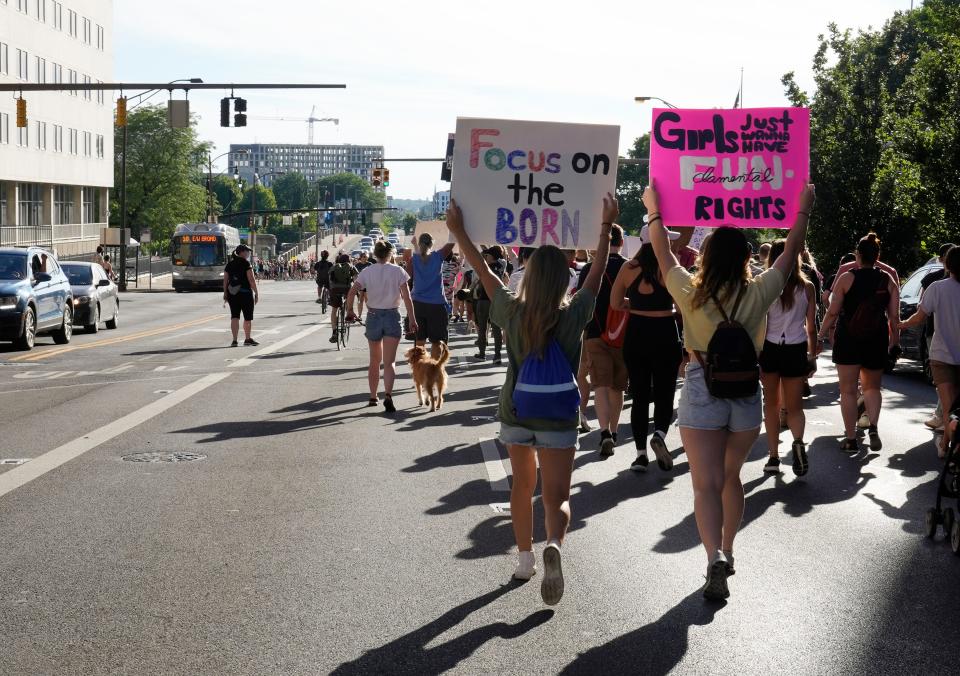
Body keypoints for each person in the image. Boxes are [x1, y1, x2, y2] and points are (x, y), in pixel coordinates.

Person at [644, 180, 815, 601]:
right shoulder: (758, 292)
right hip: (745, 395)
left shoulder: (689, 291)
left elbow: (662, 252)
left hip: (703, 388)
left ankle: (712, 557)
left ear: (706, 256)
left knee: (704, 483)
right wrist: (803, 210)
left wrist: (654, 210)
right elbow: (791, 252)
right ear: (744, 258)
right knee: (731, 478)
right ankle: (730, 550)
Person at [445, 193, 616, 607]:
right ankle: (553, 542)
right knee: (558, 495)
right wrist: (606, 227)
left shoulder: (509, 309)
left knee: (522, 485)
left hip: (517, 411)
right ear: (563, 281)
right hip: (559, 415)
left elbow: (484, 270)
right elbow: (595, 274)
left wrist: (459, 231)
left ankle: (525, 559)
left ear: (530, 276)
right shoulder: (574, 314)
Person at [817, 233, 900, 453]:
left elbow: (833, 312)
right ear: (877, 256)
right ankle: (873, 426)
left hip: (848, 338)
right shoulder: (888, 280)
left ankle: (851, 438)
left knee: (848, 391)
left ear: (858, 255)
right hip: (876, 338)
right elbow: (894, 317)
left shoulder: (846, 278)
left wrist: (819, 335)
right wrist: (895, 342)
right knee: (872, 388)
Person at [611, 239, 682, 472]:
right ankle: (660, 434)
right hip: (665, 332)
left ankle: (640, 455)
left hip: (637, 332)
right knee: (665, 391)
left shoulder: (628, 267)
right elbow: (682, 307)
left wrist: (637, 304)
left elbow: (615, 302)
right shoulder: (669, 267)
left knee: (639, 394)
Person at [758, 239, 817, 476]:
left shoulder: (764, 285)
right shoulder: (808, 287)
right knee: (795, 407)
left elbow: (759, 322)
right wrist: (812, 356)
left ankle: (773, 457)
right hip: (796, 347)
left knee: (771, 405)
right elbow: (811, 326)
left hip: (770, 348)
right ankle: (799, 441)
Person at [901, 245, 960, 458]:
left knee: (948, 408)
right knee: (955, 409)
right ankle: (945, 447)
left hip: (942, 355)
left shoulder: (937, 288)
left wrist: (900, 325)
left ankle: (950, 449)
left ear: (946, 264)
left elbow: (919, 316)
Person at [345, 240, 417, 413]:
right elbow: (407, 297)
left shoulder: (367, 271)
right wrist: (412, 319)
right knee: (390, 361)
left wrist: (350, 310)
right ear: (391, 253)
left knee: (374, 361)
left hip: (373, 316)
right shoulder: (398, 271)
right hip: (392, 315)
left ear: (375, 254)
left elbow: (352, 291)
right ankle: (389, 395)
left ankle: (372, 396)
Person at [578, 224, 628, 457]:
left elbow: (582, 300)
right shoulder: (630, 267)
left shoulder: (590, 268)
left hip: (595, 333)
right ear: (622, 242)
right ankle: (615, 431)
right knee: (618, 387)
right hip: (623, 334)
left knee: (600, 385)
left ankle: (604, 431)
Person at [408, 232, 456, 350]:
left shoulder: (413, 259)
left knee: (419, 342)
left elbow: (406, 279)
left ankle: (419, 368)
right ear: (431, 243)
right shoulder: (438, 256)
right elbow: (452, 242)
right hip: (436, 305)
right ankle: (436, 368)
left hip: (417, 304)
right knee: (437, 342)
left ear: (420, 244)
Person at [473, 246, 507, 364]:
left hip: (484, 300)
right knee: (496, 329)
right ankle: (497, 355)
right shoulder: (502, 266)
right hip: (496, 300)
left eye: (487, 255)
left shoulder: (486, 269)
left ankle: (482, 353)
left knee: (482, 328)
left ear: (492, 256)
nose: (486, 257)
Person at [223, 244, 260, 347]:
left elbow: (225, 280)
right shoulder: (246, 264)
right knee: (247, 317)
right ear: (242, 252)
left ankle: (234, 340)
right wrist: (256, 293)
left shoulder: (229, 264)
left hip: (232, 294)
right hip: (245, 294)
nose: (248, 253)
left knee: (234, 316)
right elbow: (251, 280)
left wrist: (225, 293)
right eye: (247, 251)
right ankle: (247, 339)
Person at [328, 254, 358, 343]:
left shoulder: (334, 267)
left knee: (334, 310)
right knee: (350, 300)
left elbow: (330, 279)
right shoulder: (351, 266)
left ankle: (334, 332)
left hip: (335, 289)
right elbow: (356, 279)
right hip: (346, 288)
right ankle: (349, 315)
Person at [355, 252, 373, 319]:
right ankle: (359, 316)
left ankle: (370, 315)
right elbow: (355, 275)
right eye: (364, 257)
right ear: (361, 258)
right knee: (360, 300)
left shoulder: (370, 264)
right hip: (360, 285)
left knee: (367, 301)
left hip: (368, 285)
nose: (366, 258)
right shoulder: (357, 265)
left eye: (366, 257)